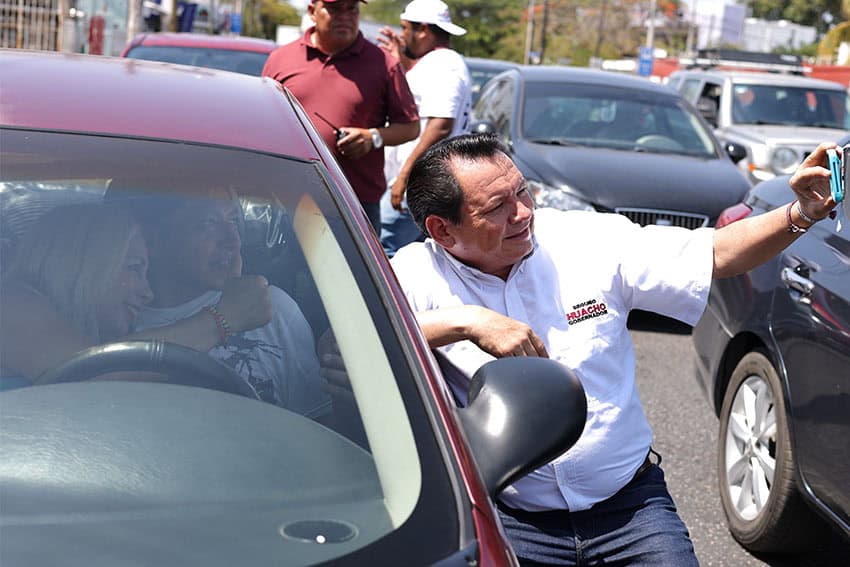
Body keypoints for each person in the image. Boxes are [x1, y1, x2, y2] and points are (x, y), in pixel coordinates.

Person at [389, 133, 840, 566]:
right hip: (509, 518)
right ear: (442, 231)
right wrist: (464, 322)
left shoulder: (588, 240)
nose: (523, 213)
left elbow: (716, 253)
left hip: (629, 507)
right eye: (498, 207)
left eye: (523, 192)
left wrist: (799, 213)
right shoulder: (415, 275)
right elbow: (346, 345)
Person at [116, 187, 332, 419]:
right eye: (208, 224)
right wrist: (223, 319)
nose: (233, 240)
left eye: (233, 221)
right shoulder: (118, 318)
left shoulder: (272, 309)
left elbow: (317, 429)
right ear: (154, 242)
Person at [0, 203, 270, 389]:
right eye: (134, 268)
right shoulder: (10, 304)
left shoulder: (95, 336)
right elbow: (85, 374)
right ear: (84, 262)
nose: (148, 293)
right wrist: (223, 318)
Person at [261, 0, 420, 235]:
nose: (344, 16)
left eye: (351, 9)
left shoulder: (383, 63)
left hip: (354, 203)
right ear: (313, 12)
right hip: (288, 197)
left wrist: (372, 137)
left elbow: (410, 127)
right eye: (335, 9)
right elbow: (261, 123)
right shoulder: (281, 59)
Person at [377, 0, 472, 256]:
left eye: (405, 28)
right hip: (419, 181)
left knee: (384, 254)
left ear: (424, 30)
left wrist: (405, 178)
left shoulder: (444, 65)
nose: (402, 34)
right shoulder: (436, 63)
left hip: (419, 181)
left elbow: (441, 125)